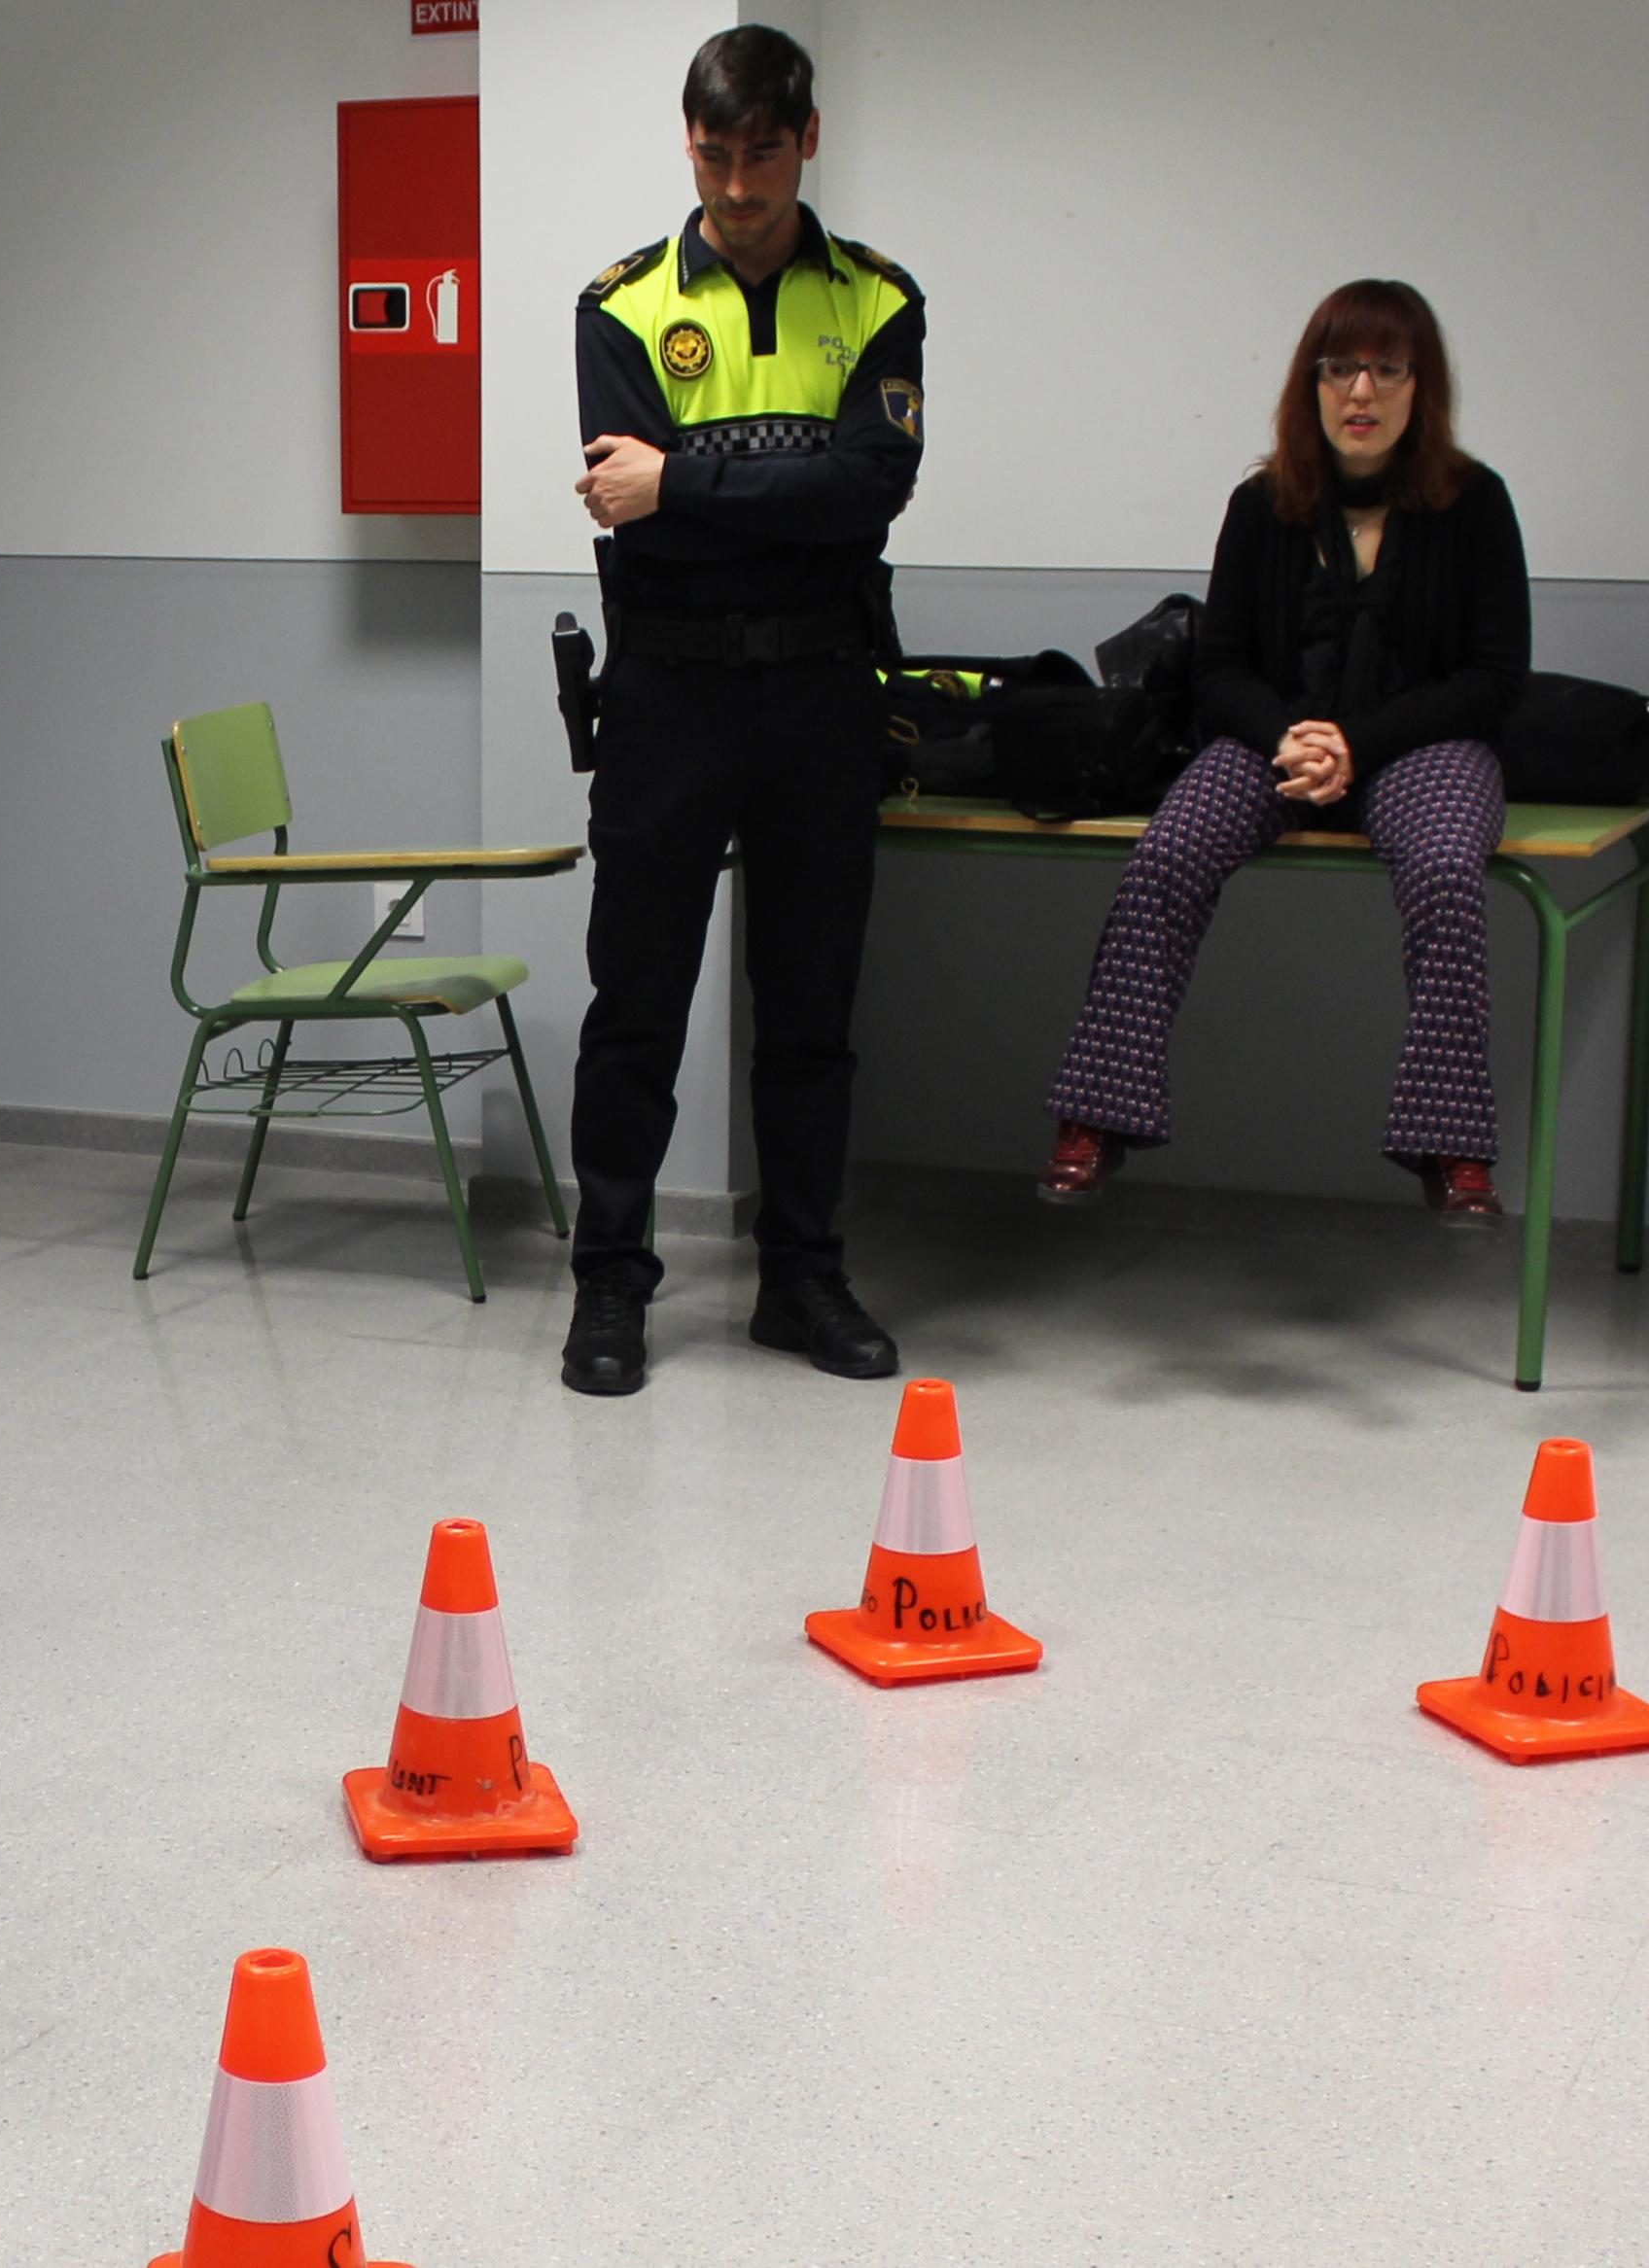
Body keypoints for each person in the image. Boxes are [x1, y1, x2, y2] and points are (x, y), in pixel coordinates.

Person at [561, 22, 923, 1398]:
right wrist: (776, 492)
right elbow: (633, 520)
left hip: (825, 694)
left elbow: (869, 491)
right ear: (691, 145)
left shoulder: (878, 302)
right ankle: (609, 1283)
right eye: (715, 156)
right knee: (636, 1003)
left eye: (762, 154)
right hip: (668, 693)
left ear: (807, 141)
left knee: (810, 1008)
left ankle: (803, 1277)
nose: (738, 187)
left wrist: (688, 481)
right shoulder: (623, 304)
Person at [1035, 278, 1528, 1220]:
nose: (1361, 393)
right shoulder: (1263, 505)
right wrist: (1290, 735)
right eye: (1341, 368)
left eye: (1387, 369)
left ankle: (1450, 1145)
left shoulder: (1474, 503)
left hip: (1422, 746)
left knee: (1444, 874)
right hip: (1276, 740)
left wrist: (1357, 739)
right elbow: (1220, 668)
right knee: (1166, 856)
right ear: (1312, 383)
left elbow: (1494, 677)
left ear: (1421, 388)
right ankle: (1096, 1119)